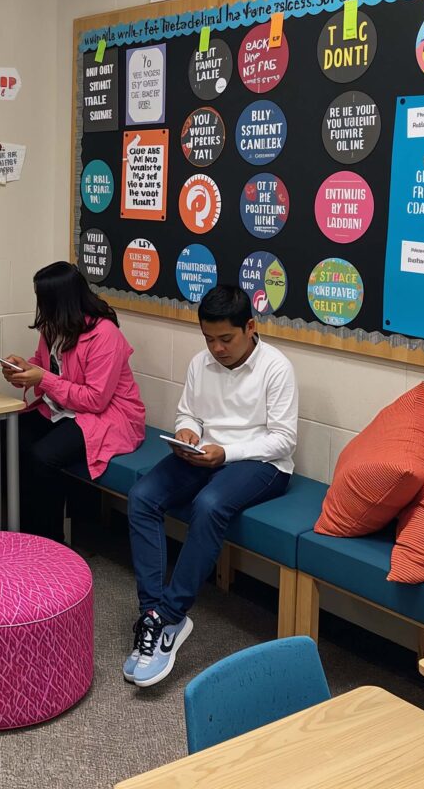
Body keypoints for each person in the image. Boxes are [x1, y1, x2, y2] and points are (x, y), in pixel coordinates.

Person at [124, 285, 296, 688]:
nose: (217, 348)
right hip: (205, 453)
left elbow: (284, 439)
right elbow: (190, 413)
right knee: (142, 497)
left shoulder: (276, 368)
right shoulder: (201, 363)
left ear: (250, 327)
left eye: (226, 338)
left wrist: (227, 453)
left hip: (262, 463)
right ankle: (152, 614)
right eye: (209, 338)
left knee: (210, 504)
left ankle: (171, 617)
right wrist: (187, 431)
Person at [1, 261, 145, 542]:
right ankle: (22, 531)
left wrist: (42, 379)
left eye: (43, 299)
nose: (40, 305)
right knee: (9, 435)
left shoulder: (105, 334)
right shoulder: (52, 327)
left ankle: (49, 542)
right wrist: (23, 370)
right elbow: (43, 364)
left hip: (108, 416)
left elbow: (95, 399)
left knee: (43, 456)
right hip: (63, 407)